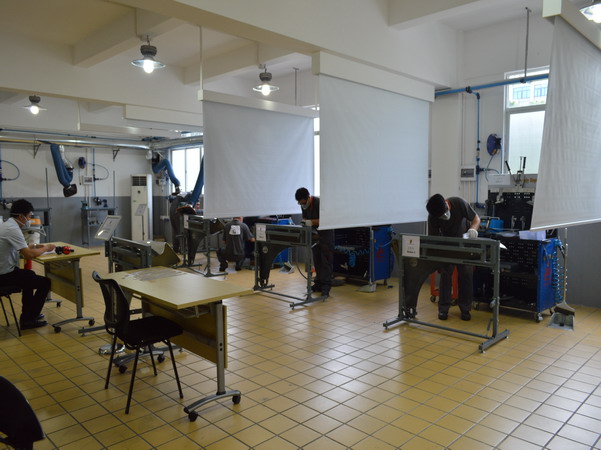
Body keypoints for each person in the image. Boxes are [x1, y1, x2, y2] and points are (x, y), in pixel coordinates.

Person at [0, 199, 55, 329]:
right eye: (29, 216)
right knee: (45, 282)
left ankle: (28, 315)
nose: (29, 220)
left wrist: (35, 246)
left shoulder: (7, 225)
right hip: (4, 276)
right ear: (21, 216)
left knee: (29, 275)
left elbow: (22, 247)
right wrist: (46, 248)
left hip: (4, 272)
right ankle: (29, 319)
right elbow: (28, 255)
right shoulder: (13, 229)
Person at [426, 193, 480, 321]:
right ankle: (443, 309)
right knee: (445, 274)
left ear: (447, 204)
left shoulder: (459, 203)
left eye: (444, 213)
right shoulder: (433, 216)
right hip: (447, 246)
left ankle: (465, 309)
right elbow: (433, 238)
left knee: (465, 275)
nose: (444, 217)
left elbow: (476, 218)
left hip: (464, 244)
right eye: (440, 217)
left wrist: (473, 229)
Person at [295, 187, 335, 297]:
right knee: (317, 260)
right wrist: (305, 223)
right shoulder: (304, 205)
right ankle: (318, 283)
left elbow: (326, 220)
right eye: (299, 203)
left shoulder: (319, 203)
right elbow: (305, 218)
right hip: (315, 235)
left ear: (308, 197)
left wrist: (311, 222)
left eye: (302, 202)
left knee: (326, 261)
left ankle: (326, 287)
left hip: (326, 235)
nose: (301, 204)